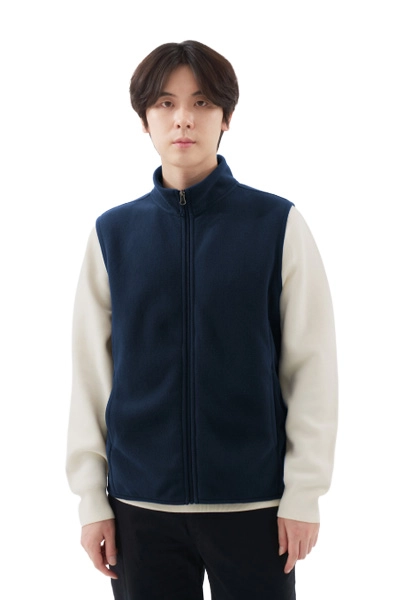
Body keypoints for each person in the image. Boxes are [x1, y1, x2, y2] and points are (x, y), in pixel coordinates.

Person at [66, 40, 338, 600]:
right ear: (145, 119)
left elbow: (311, 368)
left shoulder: (277, 225)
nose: (183, 119)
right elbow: (92, 376)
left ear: (226, 117)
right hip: (139, 510)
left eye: (202, 102)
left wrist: (304, 494)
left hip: (256, 507)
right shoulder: (113, 234)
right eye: (165, 103)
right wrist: (92, 500)